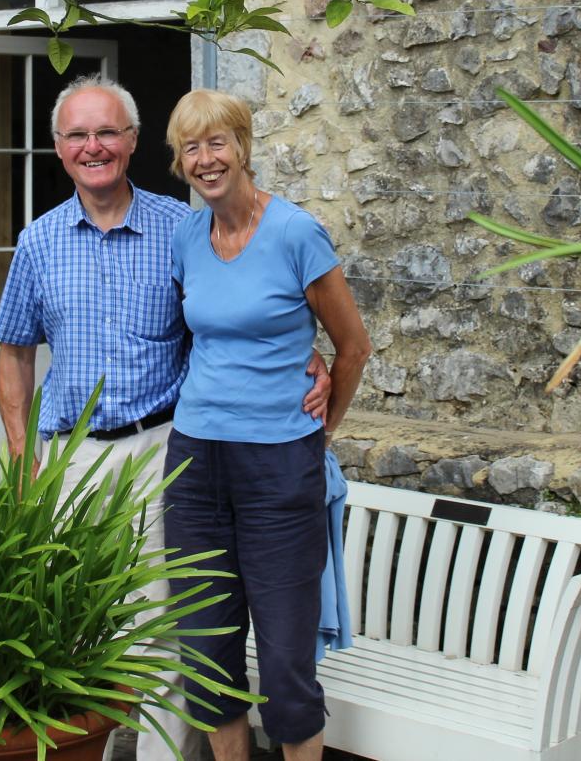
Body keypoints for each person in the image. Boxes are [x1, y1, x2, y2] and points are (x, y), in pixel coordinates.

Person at [0, 74, 326, 761]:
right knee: (74, 628)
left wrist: (306, 352)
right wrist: (24, 462)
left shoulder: (183, 228)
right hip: (69, 458)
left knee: (169, 630)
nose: (94, 147)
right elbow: (15, 356)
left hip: (164, 449)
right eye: (79, 135)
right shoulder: (38, 242)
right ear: (58, 148)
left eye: (108, 132)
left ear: (135, 142)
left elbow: (237, 310)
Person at [160, 88, 371, 761]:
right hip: (195, 463)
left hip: (280, 466)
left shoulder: (295, 233)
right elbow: (204, 334)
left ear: (243, 147)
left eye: (216, 142)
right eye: (190, 148)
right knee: (207, 651)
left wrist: (322, 429)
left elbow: (354, 346)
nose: (205, 159)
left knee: (284, 665)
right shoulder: (187, 236)